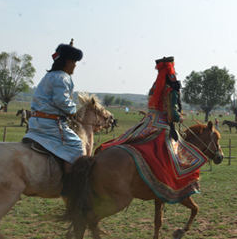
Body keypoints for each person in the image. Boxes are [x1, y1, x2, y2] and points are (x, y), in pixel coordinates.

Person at [96, 56, 207, 203]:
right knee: (172, 156)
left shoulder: (154, 88)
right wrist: (180, 118)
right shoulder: (171, 89)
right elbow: (172, 115)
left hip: (146, 124)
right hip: (161, 126)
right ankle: (168, 185)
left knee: (127, 140)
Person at [23, 39, 84, 194]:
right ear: (67, 62)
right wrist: (73, 110)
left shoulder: (49, 77)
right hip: (50, 124)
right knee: (77, 146)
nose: (75, 66)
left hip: (36, 123)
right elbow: (61, 100)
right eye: (74, 62)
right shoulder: (62, 77)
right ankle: (71, 186)